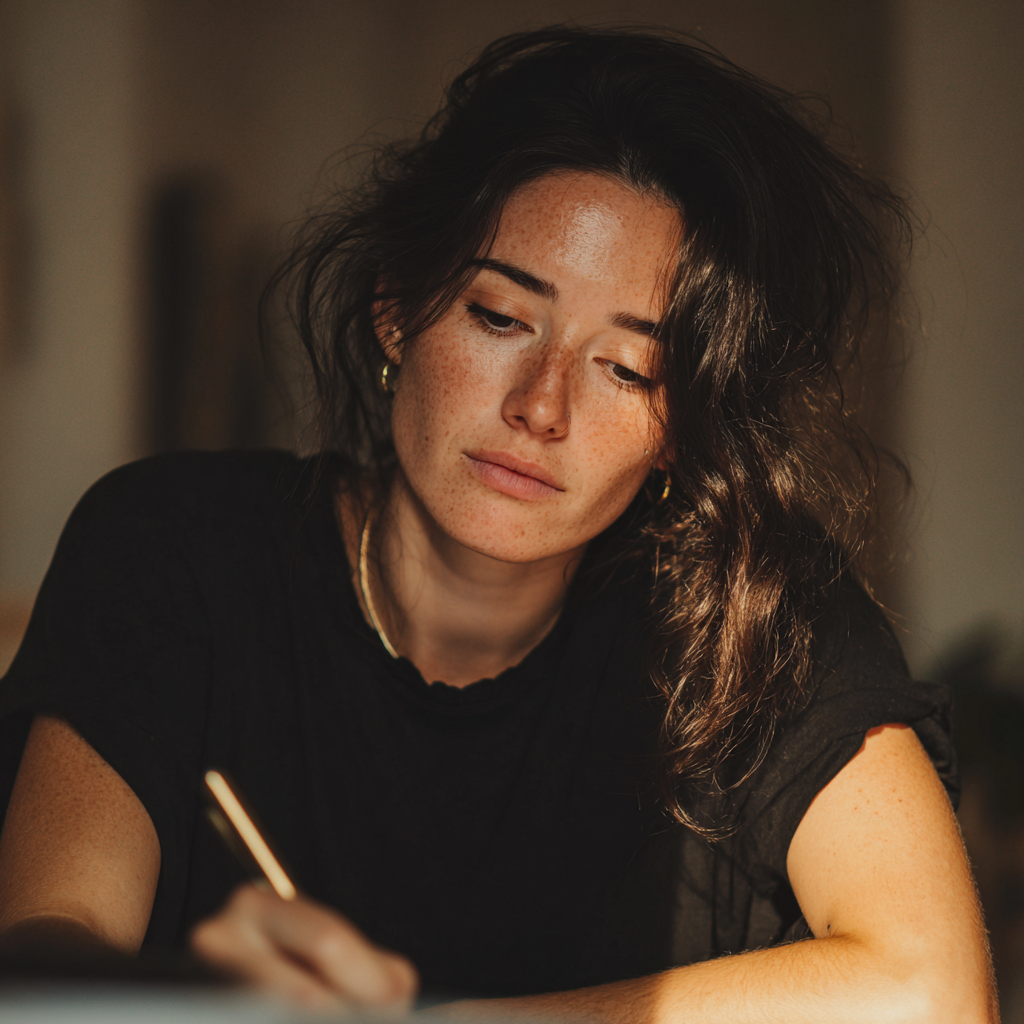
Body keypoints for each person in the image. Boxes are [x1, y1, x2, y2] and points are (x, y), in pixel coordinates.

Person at [0, 26, 996, 1022]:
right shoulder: (177, 548)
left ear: (681, 427)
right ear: (398, 309)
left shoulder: (758, 613)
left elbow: (934, 988)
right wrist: (202, 1001)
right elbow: (39, 952)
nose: (542, 407)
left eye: (626, 369)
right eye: (500, 318)